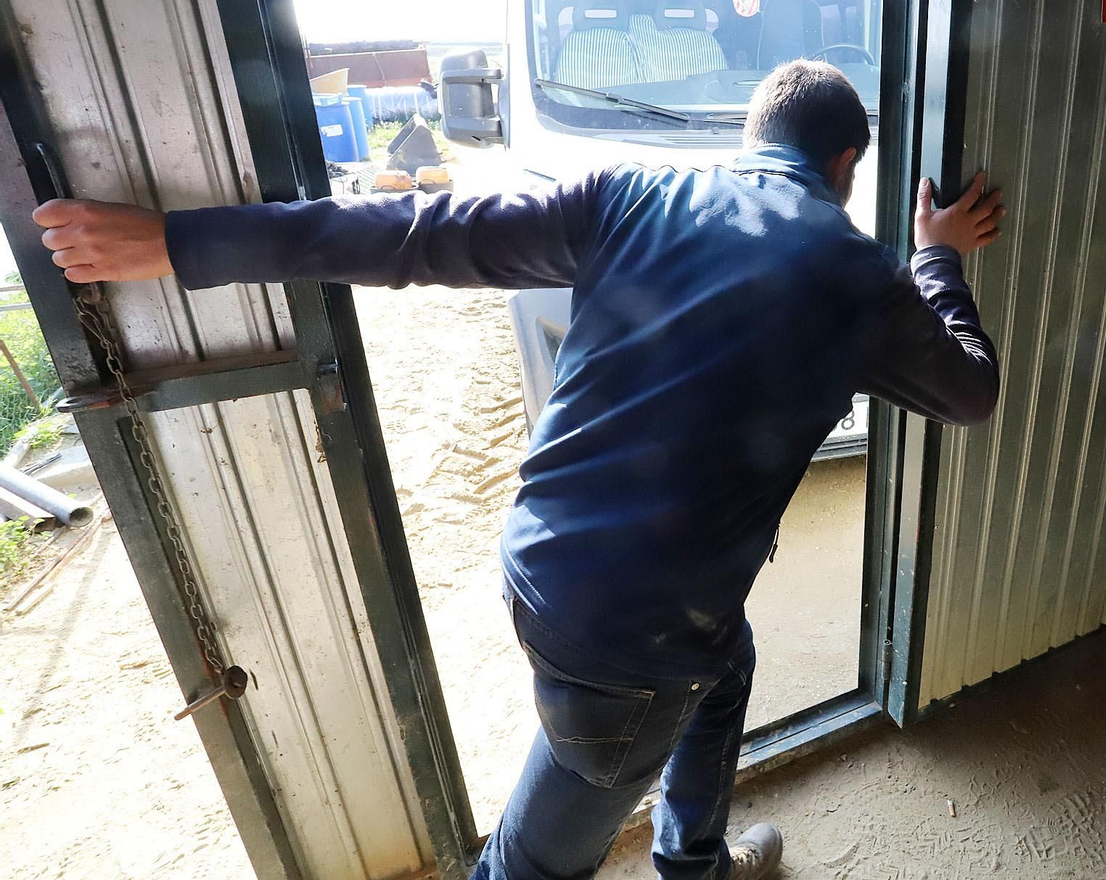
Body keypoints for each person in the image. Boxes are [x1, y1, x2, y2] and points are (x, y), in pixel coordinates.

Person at [32, 60, 1005, 880]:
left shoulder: (631, 194)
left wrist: (176, 242)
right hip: (634, 643)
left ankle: (695, 863)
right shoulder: (858, 276)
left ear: (754, 136)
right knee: (526, 865)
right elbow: (969, 390)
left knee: (730, 660)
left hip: (549, 566)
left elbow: (413, 237)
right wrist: (936, 258)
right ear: (843, 163)